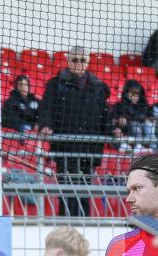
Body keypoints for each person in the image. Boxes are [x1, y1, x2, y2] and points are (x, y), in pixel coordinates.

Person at [39, 46, 111, 217]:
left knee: (84, 189)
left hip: (89, 148)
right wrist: (46, 125)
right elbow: (46, 109)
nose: (79, 63)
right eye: (75, 60)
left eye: (83, 60)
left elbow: (105, 114)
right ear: (68, 61)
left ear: (88, 62)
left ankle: (84, 225)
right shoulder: (55, 84)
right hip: (64, 147)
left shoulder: (99, 87)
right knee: (66, 189)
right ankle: (66, 226)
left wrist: (113, 130)